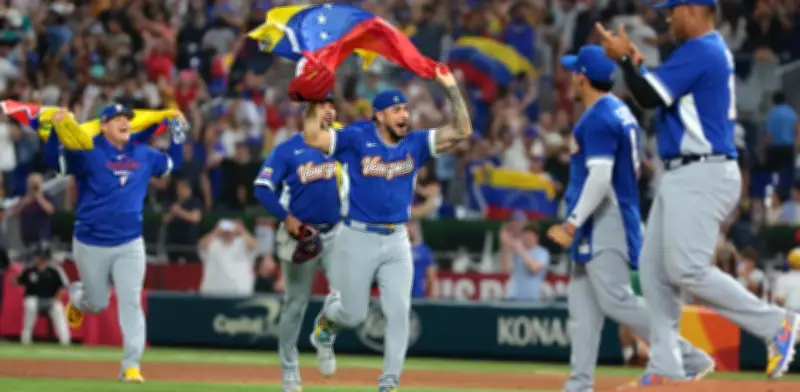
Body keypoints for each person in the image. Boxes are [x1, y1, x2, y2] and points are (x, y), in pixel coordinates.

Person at [596, 0, 799, 383]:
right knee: (654, 271)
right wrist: (634, 63)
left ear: (693, 9)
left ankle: (777, 324)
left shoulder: (701, 49)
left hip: (701, 170)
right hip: (684, 173)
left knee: (687, 268)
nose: (667, 16)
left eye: (673, 9)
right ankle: (669, 363)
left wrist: (625, 61)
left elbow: (648, 97)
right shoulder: (702, 50)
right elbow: (652, 90)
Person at [546, 45, 714, 392]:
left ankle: (687, 356)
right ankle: (578, 384)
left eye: (574, 72)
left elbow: (600, 177)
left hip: (604, 218)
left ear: (582, 78)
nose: (570, 78)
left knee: (616, 299)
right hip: (603, 218)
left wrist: (572, 223)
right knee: (582, 309)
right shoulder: (616, 110)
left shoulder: (599, 118)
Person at [301, 67, 472, 392]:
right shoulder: (357, 137)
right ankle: (326, 324)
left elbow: (462, 130)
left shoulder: (416, 142)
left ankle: (389, 383)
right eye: (396, 110)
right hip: (357, 236)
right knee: (354, 315)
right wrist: (313, 98)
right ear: (379, 115)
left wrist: (451, 87)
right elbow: (313, 137)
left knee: (399, 311)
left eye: (405, 109)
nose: (404, 115)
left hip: (397, 239)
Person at [50, 103, 185, 382]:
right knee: (98, 302)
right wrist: (55, 130)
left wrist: (178, 134)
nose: (124, 122)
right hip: (91, 242)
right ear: (103, 126)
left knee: (131, 302)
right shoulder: (88, 150)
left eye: (127, 118)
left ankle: (131, 366)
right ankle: (78, 297)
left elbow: (173, 164)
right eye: (116, 119)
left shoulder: (144, 153)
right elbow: (56, 162)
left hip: (129, 243)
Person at [252, 94, 342, 392]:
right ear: (309, 111)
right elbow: (262, 187)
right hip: (301, 235)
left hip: (336, 232)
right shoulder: (288, 150)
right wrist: (286, 217)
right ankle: (289, 371)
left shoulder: (339, 142)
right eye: (324, 105)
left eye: (332, 105)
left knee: (348, 297)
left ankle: (324, 335)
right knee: (295, 304)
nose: (330, 110)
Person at [17, 246, 71, 346]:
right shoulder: (29, 269)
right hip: (34, 299)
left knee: (58, 309)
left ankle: (65, 341)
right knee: (30, 305)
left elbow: (62, 287)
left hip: (51, 299)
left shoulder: (55, 270)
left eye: (38, 256)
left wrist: (56, 299)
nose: (36, 258)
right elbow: (20, 282)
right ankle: (26, 340)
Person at [197, 219, 258, 296]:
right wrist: (215, 232)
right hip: (212, 293)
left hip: (240, 293)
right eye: (225, 229)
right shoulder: (213, 244)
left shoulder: (243, 243)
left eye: (230, 228)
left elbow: (253, 245)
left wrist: (243, 230)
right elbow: (202, 245)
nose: (228, 231)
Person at [502, 222, 550, 301]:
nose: (526, 238)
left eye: (529, 236)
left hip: (532, 297)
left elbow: (534, 269)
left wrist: (521, 249)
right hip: (513, 296)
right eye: (525, 236)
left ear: (536, 237)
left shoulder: (542, 253)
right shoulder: (516, 251)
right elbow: (506, 269)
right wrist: (505, 243)